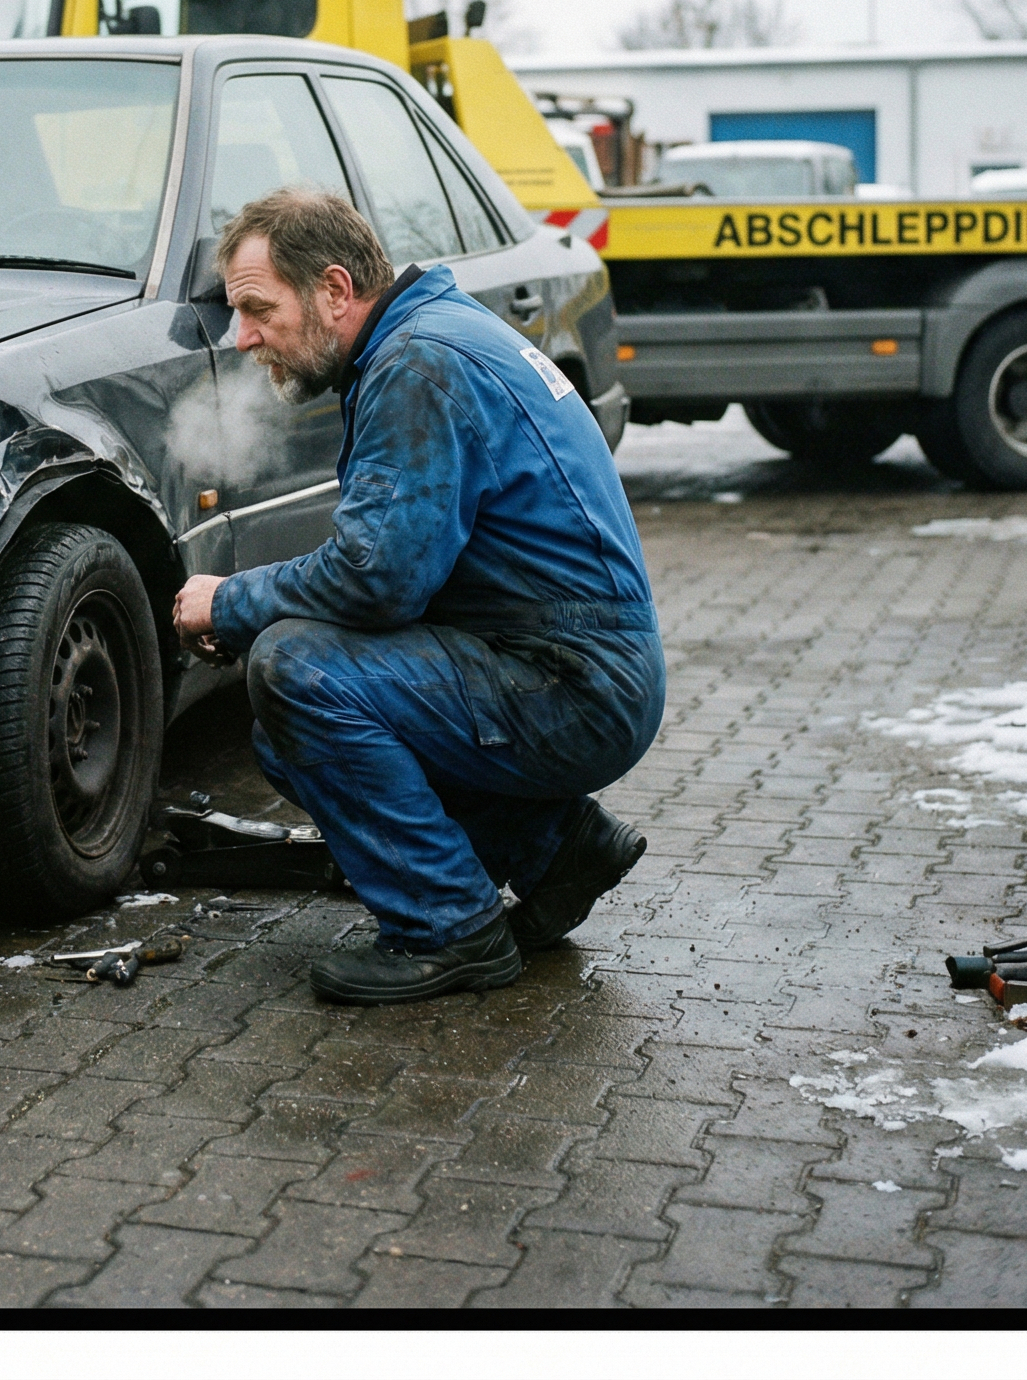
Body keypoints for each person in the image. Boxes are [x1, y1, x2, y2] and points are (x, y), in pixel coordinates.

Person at [171, 187, 665, 1005]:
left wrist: (230, 603)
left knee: (298, 672)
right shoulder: (427, 335)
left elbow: (378, 581)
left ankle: (448, 930)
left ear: (334, 290)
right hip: (570, 663)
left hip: (573, 685)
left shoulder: (417, 366)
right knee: (287, 736)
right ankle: (558, 850)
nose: (244, 336)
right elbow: (392, 566)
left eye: (259, 309)